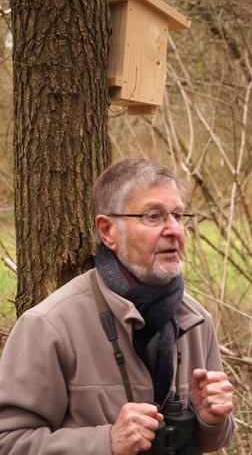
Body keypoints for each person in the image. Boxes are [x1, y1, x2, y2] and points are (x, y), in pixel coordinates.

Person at [0, 158, 234, 454]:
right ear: (108, 231)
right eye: (154, 216)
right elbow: (8, 442)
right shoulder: (50, 326)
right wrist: (104, 442)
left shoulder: (197, 321)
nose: (175, 230)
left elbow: (213, 440)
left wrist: (212, 420)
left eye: (177, 215)